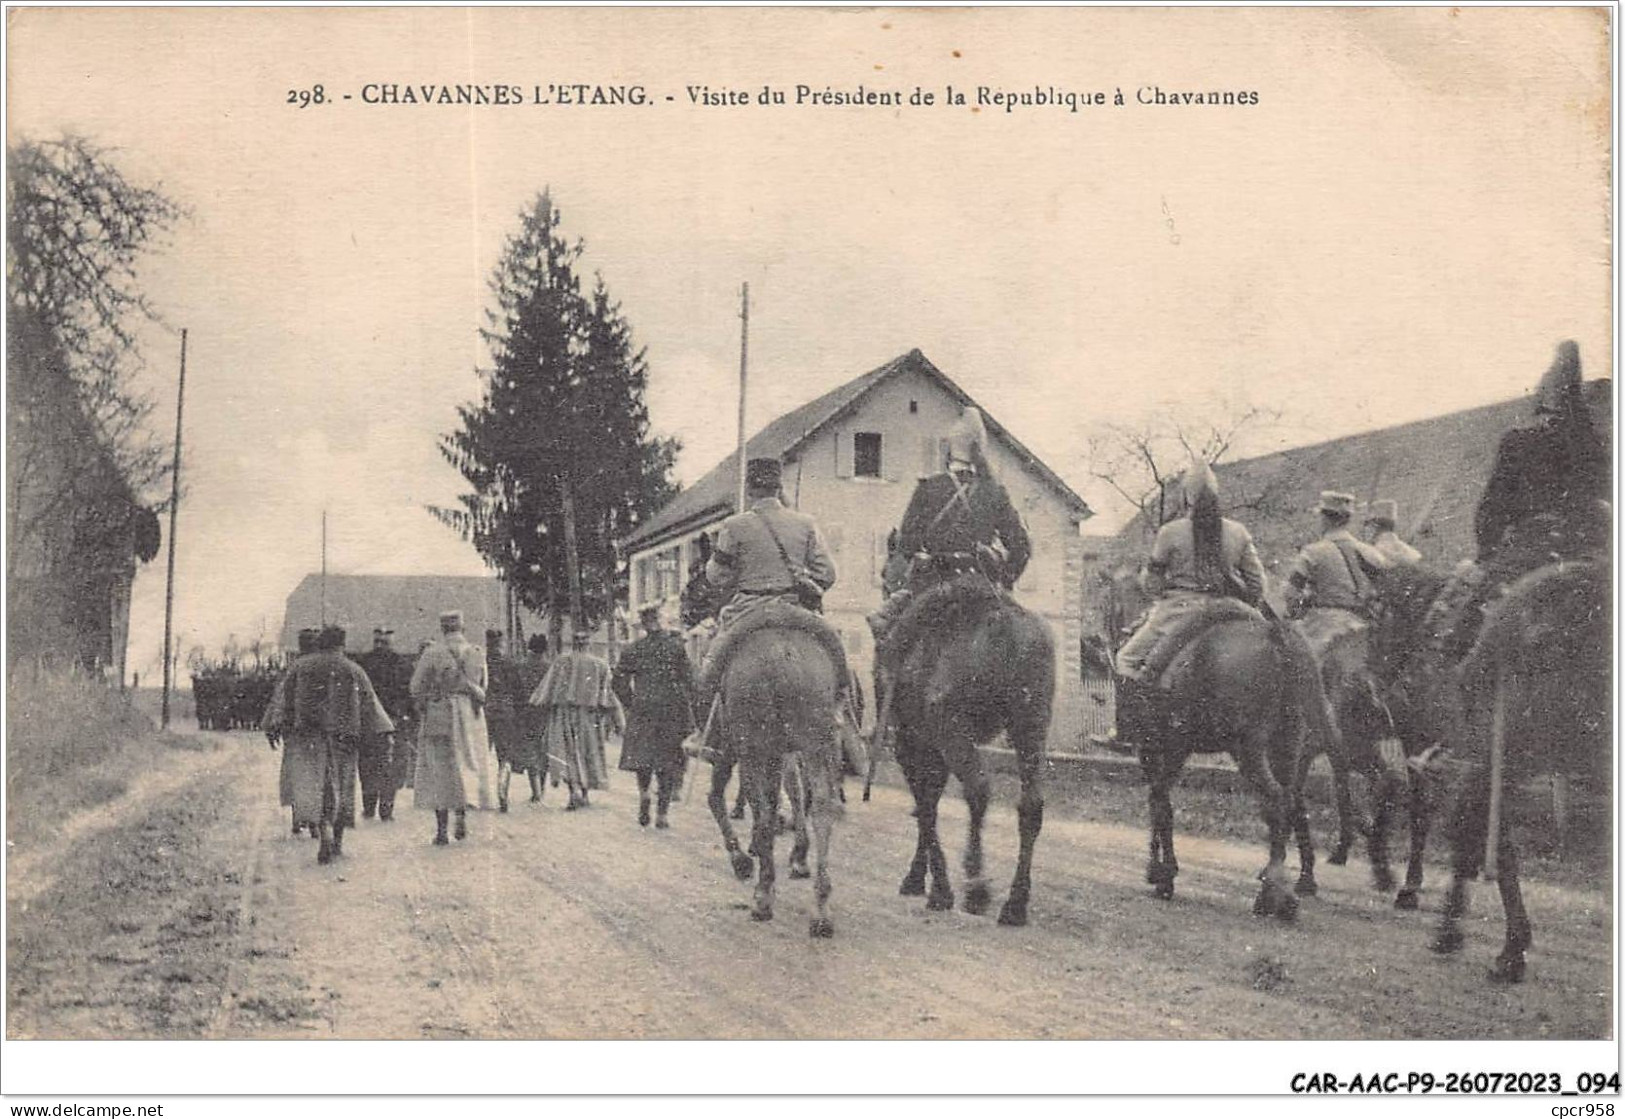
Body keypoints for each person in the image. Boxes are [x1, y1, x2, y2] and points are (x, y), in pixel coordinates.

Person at [693, 456, 841, 759]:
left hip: (749, 611)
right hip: (795, 609)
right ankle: (838, 711)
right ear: (779, 487)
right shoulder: (805, 523)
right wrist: (803, 579)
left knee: (710, 664)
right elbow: (828, 574)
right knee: (835, 653)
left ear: (749, 488)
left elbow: (717, 576)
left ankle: (707, 736)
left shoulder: (734, 526)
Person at [1112, 460, 1266, 744]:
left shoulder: (1170, 532)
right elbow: (1258, 585)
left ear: (1186, 496)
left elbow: (1152, 585)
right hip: (1229, 610)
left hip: (1178, 611)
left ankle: (1127, 733)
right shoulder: (1239, 533)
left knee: (1126, 659)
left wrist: (1157, 587)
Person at [866, 406, 1030, 647]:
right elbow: (1021, 548)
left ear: (948, 451)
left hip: (933, 584)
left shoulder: (928, 488)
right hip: (981, 584)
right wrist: (1004, 579)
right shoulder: (994, 492)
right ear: (980, 452)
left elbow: (906, 547)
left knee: (890, 638)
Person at [262, 625, 395, 864]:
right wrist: (383, 734)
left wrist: (273, 726)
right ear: (341, 644)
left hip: (309, 736)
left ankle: (323, 831)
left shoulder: (300, 667)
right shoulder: (353, 669)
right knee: (342, 787)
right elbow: (370, 705)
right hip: (344, 737)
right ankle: (338, 843)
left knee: (317, 785)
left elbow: (282, 699)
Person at [411, 610, 495, 845]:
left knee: (440, 769)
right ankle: (462, 814)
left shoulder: (432, 652)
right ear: (463, 628)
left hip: (440, 713)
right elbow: (484, 686)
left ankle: (441, 830)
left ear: (442, 629)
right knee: (466, 764)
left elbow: (416, 686)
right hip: (470, 715)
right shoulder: (476, 653)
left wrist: (427, 699)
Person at [613, 605, 698, 829]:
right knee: (668, 762)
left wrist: (631, 702)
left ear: (643, 624)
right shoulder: (675, 648)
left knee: (643, 757)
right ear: (660, 621)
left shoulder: (633, 649)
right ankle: (662, 814)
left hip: (643, 709)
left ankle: (644, 794)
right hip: (671, 711)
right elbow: (690, 681)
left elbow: (618, 682)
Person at [1284, 491, 1392, 658]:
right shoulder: (1372, 553)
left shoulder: (1313, 552)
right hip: (1364, 629)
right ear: (1348, 519)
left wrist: (1296, 612)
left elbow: (1290, 594)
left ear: (1325, 519)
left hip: (1323, 629)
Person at [530, 629, 623, 809]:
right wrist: (616, 718)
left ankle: (574, 791)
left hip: (564, 714)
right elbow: (608, 695)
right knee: (587, 752)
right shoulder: (600, 665)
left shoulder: (561, 662)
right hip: (589, 716)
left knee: (568, 753)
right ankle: (584, 793)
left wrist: (540, 705)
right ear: (588, 643)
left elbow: (545, 690)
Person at [263, 627, 320, 836]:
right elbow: (280, 699)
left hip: (298, 730)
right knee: (312, 774)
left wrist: (273, 725)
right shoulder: (304, 668)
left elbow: (279, 700)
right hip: (308, 730)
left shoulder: (294, 668)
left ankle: (302, 818)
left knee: (299, 772)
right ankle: (310, 819)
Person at [356, 626, 411, 821]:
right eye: (378, 642)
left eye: (383, 643)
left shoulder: (364, 662)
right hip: (389, 721)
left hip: (373, 722)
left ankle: (372, 807)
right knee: (387, 764)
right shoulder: (401, 663)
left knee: (371, 765)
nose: (380, 646)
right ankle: (383, 809)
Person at [484, 628, 531, 813]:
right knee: (504, 755)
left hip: (484, 711)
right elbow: (520, 692)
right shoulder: (510, 663)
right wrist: (519, 716)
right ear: (501, 643)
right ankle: (503, 790)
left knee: (482, 753)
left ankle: (482, 795)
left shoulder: (482, 661)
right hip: (505, 711)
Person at [1362, 500, 1423, 566]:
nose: (1364, 530)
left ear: (1373, 526)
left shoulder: (1381, 548)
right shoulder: (1407, 549)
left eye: (1367, 525)